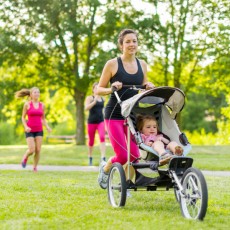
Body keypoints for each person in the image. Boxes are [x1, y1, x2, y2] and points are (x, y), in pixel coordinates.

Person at [96, 28, 154, 189]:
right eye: (127, 41)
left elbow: (142, 89)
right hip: (114, 114)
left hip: (132, 115)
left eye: (134, 41)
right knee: (122, 155)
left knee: (135, 155)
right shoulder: (112, 64)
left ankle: (125, 185)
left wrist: (148, 87)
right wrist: (111, 88)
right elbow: (98, 90)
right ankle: (106, 168)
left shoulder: (142, 64)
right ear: (121, 45)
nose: (131, 44)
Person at [15, 87, 52, 172]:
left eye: (38, 92)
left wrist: (47, 127)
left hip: (39, 130)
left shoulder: (42, 105)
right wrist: (26, 127)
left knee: (38, 150)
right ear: (31, 94)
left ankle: (35, 167)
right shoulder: (27, 104)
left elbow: (43, 118)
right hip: (29, 130)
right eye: (35, 92)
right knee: (32, 150)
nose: (37, 94)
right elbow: (23, 117)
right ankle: (25, 156)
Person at [85, 82, 106, 166]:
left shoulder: (103, 99)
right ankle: (90, 157)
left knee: (102, 137)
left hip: (100, 121)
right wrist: (94, 101)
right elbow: (86, 108)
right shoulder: (89, 98)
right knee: (91, 141)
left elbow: (103, 110)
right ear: (93, 89)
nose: (97, 89)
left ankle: (103, 158)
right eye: (95, 88)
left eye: (98, 87)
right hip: (91, 122)